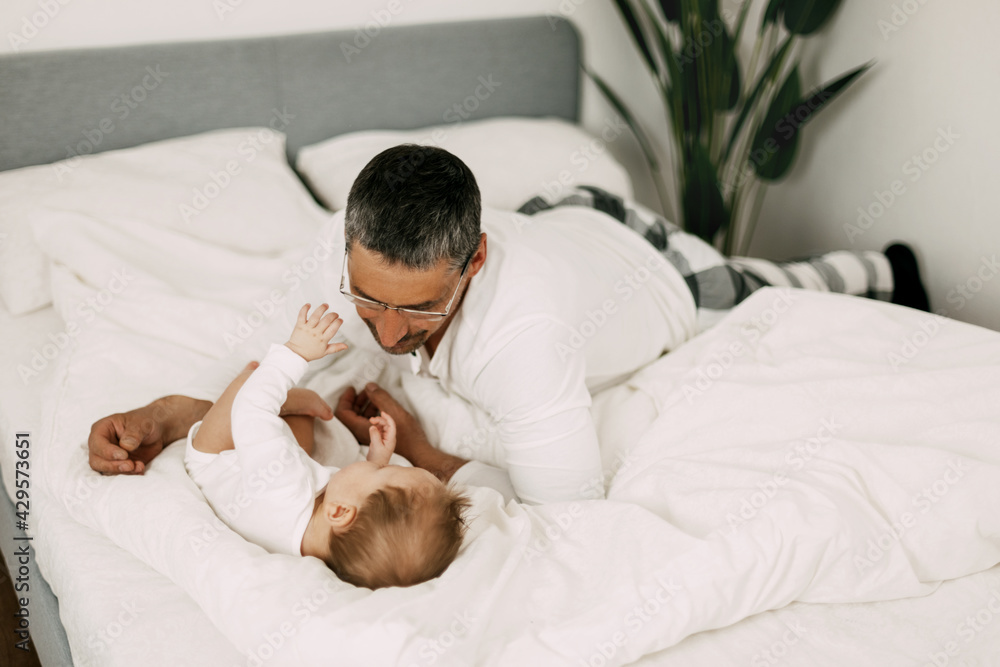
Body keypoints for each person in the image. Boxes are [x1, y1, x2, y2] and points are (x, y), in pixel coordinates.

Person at [88, 144, 928, 505]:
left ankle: (889, 269)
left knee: (780, 286)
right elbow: (279, 376)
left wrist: (420, 454)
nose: (381, 331)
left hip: (654, 271)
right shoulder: (347, 256)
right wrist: (168, 417)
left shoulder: (527, 338)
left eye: (416, 310)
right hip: (559, 215)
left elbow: (566, 510)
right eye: (366, 296)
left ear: (474, 262)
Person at [184, 302, 469, 589]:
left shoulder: (282, 487)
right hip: (260, 482)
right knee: (307, 424)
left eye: (382, 471)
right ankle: (290, 402)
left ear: (339, 512)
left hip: (217, 455)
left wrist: (295, 353)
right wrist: (377, 460)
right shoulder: (323, 544)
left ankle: (279, 396)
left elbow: (251, 409)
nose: (385, 464)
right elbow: (362, 492)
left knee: (249, 386)